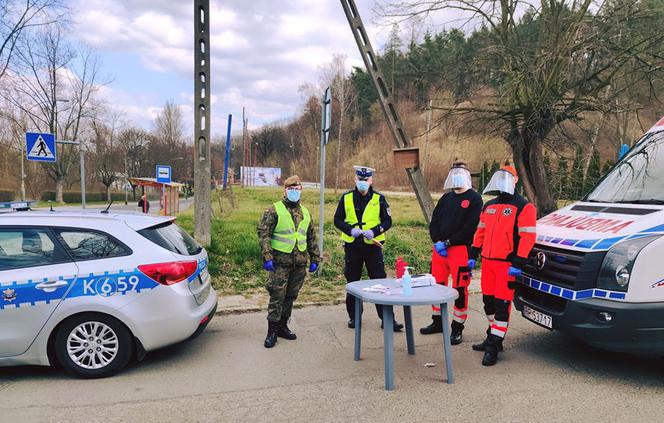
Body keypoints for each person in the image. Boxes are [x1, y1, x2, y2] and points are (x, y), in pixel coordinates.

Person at [468, 165, 536, 366]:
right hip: (488, 264)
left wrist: (519, 261)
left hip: (506, 265)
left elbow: (528, 237)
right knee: (488, 303)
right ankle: (493, 336)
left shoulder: (524, 206)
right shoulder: (489, 205)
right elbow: (480, 232)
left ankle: (494, 346)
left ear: (515, 180)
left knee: (501, 306)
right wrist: (473, 253)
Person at [420, 161, 483, 346]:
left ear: (467, 176)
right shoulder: (445, 198)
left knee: (459, 289)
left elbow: (470, 228)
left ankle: (457, 327)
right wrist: (437, 240)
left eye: (459, 173)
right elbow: (435, 222)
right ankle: (437, 321)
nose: (456, 177)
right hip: (439, 251)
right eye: (453, 173)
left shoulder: (474, 199)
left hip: (460, 250)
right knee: (437, 285)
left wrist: (449, 242)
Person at [334, 166, 403, 332]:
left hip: (373, 246)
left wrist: (375, 231)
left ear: (371, 180)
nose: (363, 182)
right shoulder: (346, 198)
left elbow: (388, 221)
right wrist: (350, 230)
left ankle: (387, 319)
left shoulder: (379, 199)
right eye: (360, 179)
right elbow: (337, 220)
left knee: (380, 282)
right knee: (353, 282)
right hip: (352, 245)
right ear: (355, 179)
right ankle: (354, 317)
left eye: (366, 179)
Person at [257, 175, 320, 348]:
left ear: (301, 191)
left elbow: (311, 237)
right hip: (279, 263)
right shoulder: (274, 210)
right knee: (277, 296)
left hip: (299, 263)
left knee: (291, 296)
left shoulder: (305, 212)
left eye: (297, 189)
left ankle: (283, 326)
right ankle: (272, 332)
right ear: (285, 190)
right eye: (291, 189)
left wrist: (315, 257)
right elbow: (264, 234)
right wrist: (267, 256)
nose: (294, 192)